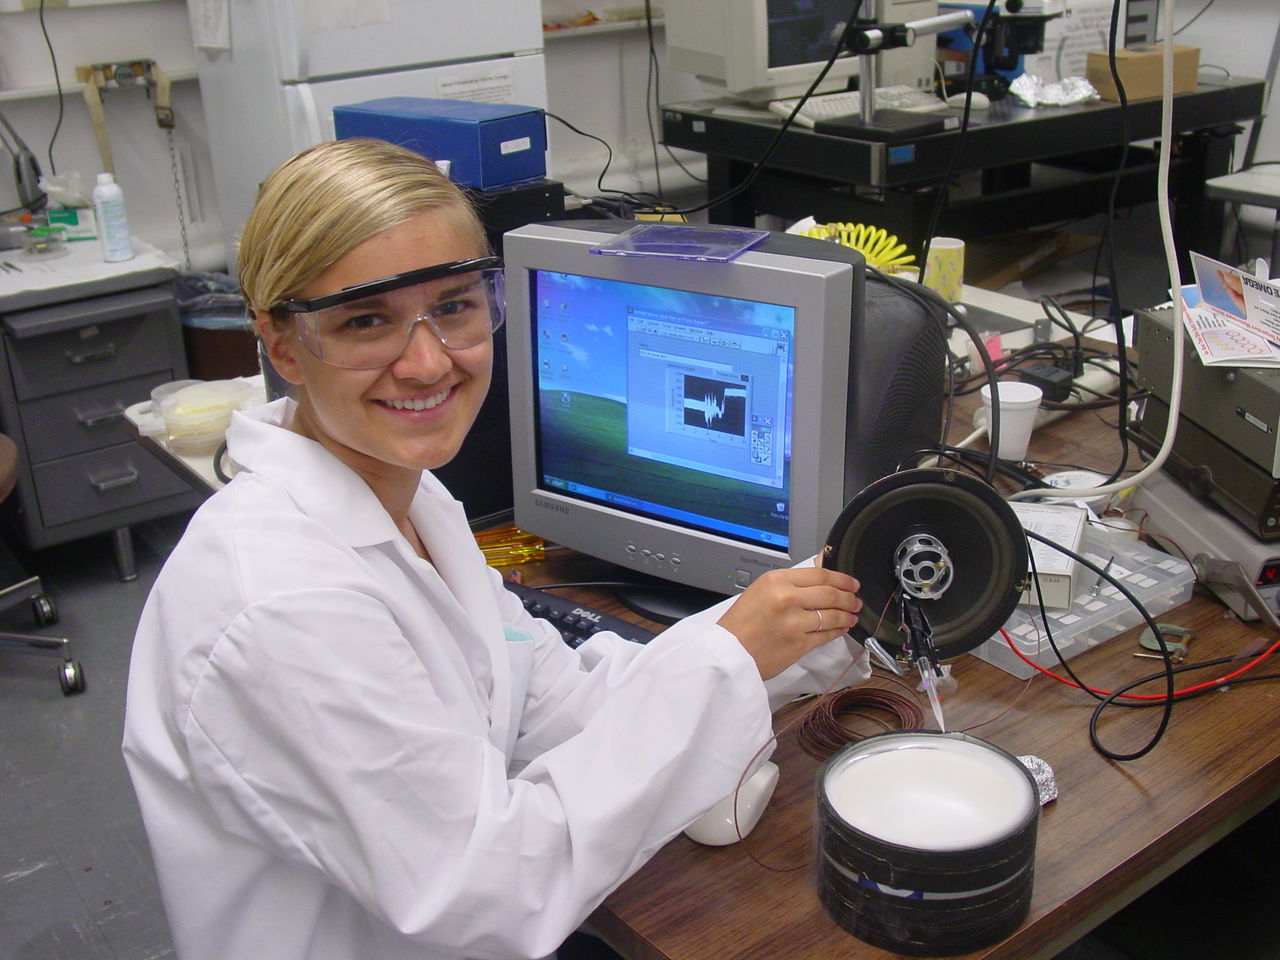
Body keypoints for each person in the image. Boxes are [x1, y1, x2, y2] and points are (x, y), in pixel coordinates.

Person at [123, 138, 868, 960]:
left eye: (453, 306)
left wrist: (798, 633)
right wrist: (727, 661)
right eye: (366, 320)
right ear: (284, 344)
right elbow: (492, 891)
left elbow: (553, 695)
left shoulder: (408, 500)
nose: (427, 362)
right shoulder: (282, 603)